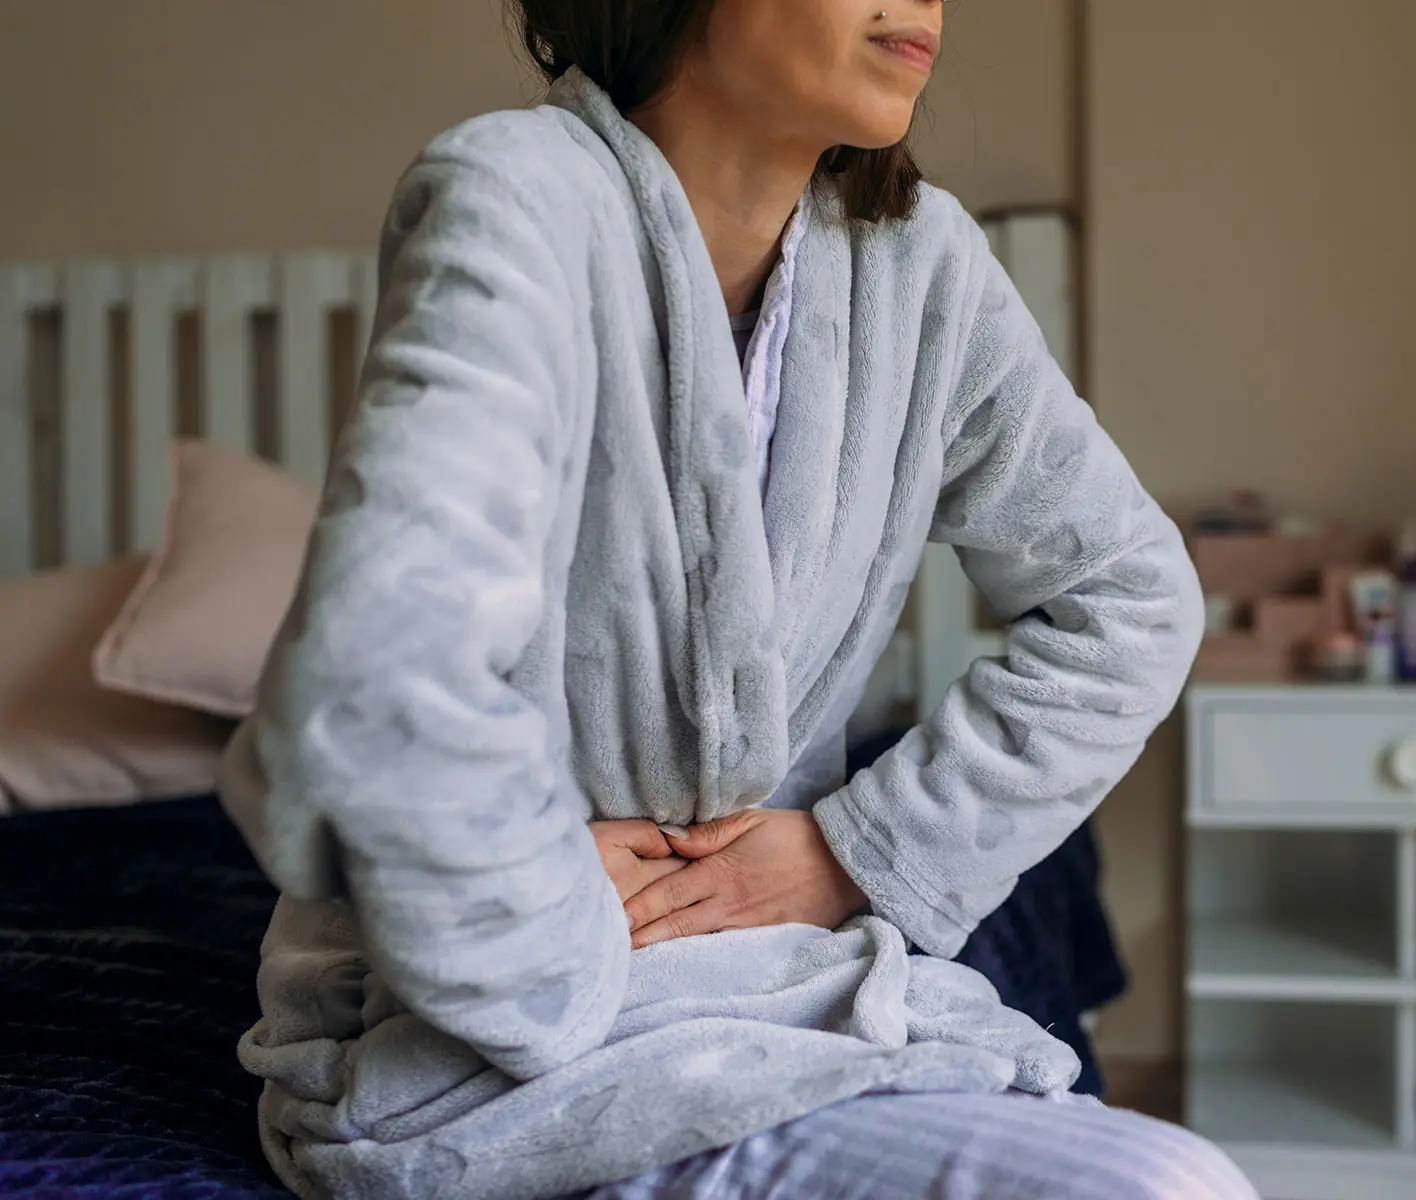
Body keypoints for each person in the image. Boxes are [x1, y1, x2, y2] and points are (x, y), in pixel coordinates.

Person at [219, 1, 1257, 1197]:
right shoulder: (519, 201)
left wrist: (855, 851)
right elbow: (383, 663)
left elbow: (1128, 596)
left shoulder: (923, 267)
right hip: (463, 1036)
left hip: (775, 979)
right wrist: (550, 919)